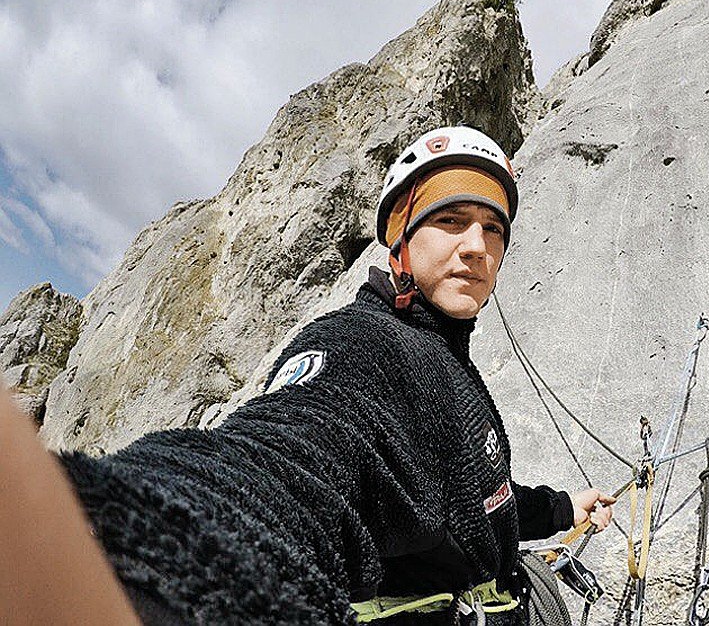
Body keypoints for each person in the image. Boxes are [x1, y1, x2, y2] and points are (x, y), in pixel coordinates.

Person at [0, 125, 614, 625]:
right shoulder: (362, 344)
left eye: (494, 228)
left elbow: (479, 501)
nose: (478, 246)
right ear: (399, 235)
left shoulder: (447, 361)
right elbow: (290, 452)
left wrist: (563, 508)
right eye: (451, 221)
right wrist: (127, 540)